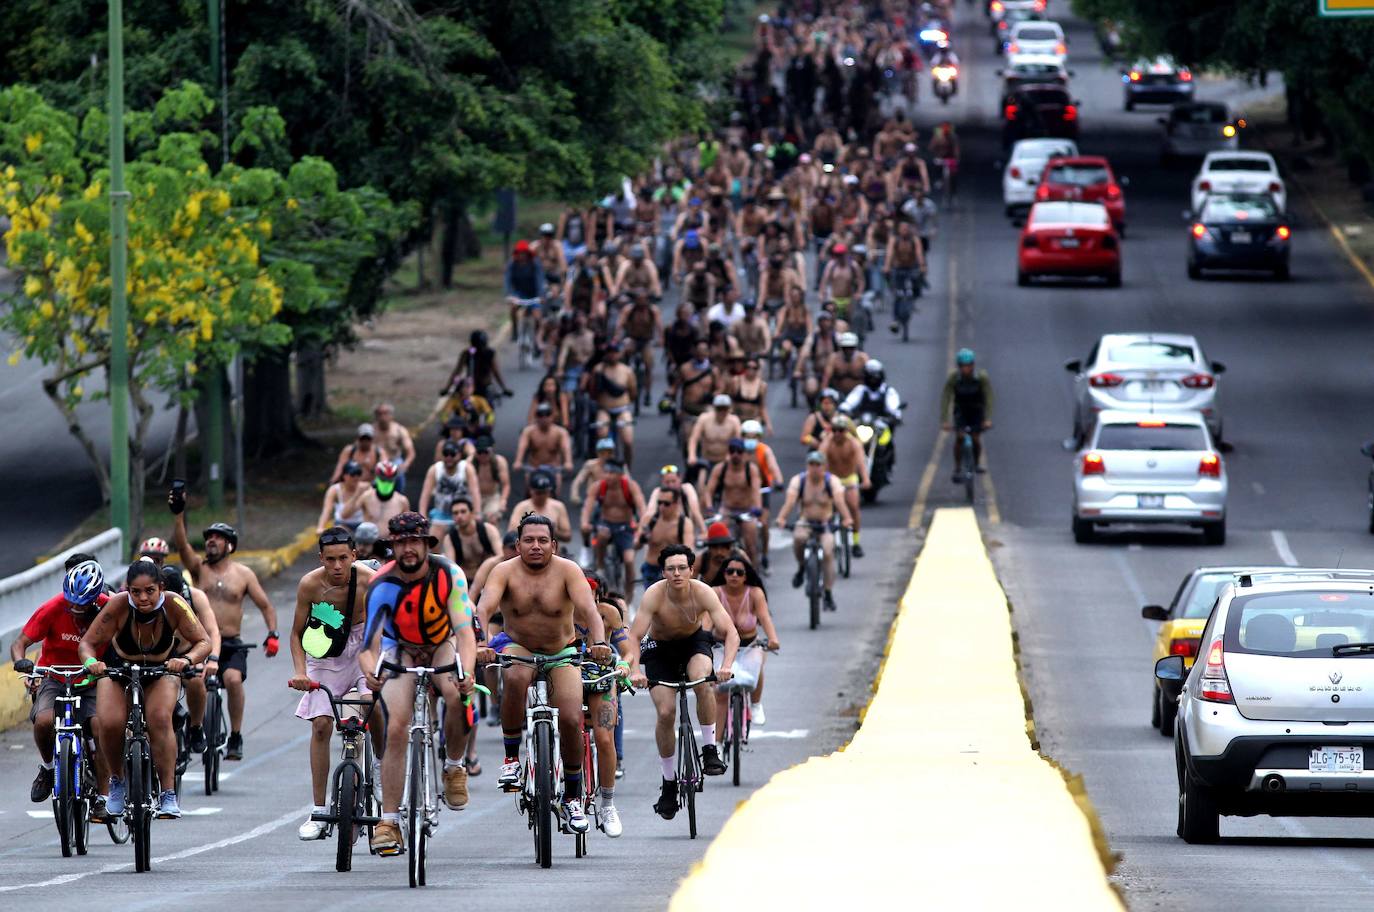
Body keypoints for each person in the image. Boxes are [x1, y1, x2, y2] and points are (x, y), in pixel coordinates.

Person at [475, 514, 613, 835]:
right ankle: (511, 760)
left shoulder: (568, 570)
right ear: (517, 544)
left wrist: (600, 642)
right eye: (528, 540)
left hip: (560, 651)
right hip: (518, 646)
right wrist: (481, 642)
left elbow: (590, 612)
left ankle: (574, 798)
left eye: (542, 541)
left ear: (554, 544)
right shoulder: (503, 571)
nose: (535, 546)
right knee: (514, 677)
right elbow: (483, 608)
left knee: (569, 718)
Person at [358, 513, 478, 856]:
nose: (407, 549)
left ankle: (454, 766)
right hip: (401, 648)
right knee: (397, 726)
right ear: (392, 546)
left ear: (426, 544)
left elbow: (465, 633)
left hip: (441, 642)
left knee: (456, 695)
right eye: (400, 543)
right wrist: (371, 672)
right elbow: (369, 647)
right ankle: (389, 820)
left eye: (414, 542)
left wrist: (466, 671)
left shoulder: (449, 575)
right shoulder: (381, 583)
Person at [80, 559, 211, 819]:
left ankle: (168, 793)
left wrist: (185, 660)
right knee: (109, 722)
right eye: (136, 592)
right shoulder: (117, 605)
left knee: (160, 718)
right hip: (119, 670)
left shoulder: (174, 604)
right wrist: (92, 663)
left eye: (150, 591)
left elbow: (203, 641)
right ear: (127, 589)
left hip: (161, 670)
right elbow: (87, 643)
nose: (143, 598)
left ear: (161, 587)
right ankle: (116, 782)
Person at [627, 545, 738, 818]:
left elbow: (730, 632)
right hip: (660, 649)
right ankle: (668, 783)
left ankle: (710, 749)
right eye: (670, 569)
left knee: (702, 680)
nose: (676, 574)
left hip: (693, 643)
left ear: (691, 570)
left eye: (681, 568)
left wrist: (725, 666)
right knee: (666, 712)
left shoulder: (703, 592)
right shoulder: (654, 594)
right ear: (663, 572)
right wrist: (634, 670)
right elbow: (634, 636)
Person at [171, 491, 278, 762]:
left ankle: (236, 735)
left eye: (217, 538)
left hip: (230, 643)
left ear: (230, 545)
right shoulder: (198, 569)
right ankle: (190, 730)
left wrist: (272, 634)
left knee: (231, 679)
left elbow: (266, 605)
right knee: (189, 681)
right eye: (208, 538)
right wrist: (179, 513)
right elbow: (182, 546)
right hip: (199, 642)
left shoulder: (244, 574)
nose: (211, 542)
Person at [287, 528, 379, 841]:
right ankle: (318, 810)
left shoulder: (370, 581)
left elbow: (387, 626)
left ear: (354, 556)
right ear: (321, 560)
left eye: (343, 558)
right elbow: (297, 634)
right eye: (330, 560)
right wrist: (301, 671)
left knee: (375, 709)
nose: (337, 566)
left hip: (365, 648)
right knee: (322, 725)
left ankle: (380, 774)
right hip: (326, 655)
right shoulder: (310, 584)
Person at [11, 557, 107, 805]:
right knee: (44, 721)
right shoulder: (52, 608)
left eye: (82, 605)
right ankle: (47, 768)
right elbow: (19, 643)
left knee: (100, 727)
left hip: (92, 680)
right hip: (55, 676)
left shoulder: (109, 609)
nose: (74, 609)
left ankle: (106, 796)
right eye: (71, 603)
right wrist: (22, 662)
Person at [708, 553, 779, 737]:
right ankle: (716, 744)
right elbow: (706, 623)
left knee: (757, 665)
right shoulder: (715, 593)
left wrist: (773, 639)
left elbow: (765, 618)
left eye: (739, 572)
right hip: (720, 646)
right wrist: (702, 640)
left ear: (746, 576)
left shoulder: (755, 593)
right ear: (723, 573)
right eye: (730, 571)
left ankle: (756, 704)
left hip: (749, 644)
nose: (734, 575)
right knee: (721, 692)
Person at [775, 451, 853, 612]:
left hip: (825, 523)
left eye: (818, 464)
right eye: (811, 464)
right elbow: (790, 502)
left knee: (828, 551)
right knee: (798, 538)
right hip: (806, 521)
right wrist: (782, 518)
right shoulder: (799, 480)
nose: (815, 468)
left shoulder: (832, 481)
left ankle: (828, 592)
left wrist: (847, 518)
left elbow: (839, 501)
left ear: (824, 466)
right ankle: (802, 567)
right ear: (807, 465)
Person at [163, 565, 221, 756]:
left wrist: (212, 660)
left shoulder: (195, 597)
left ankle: (196, 727)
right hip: (162, 656)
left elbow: (212, 632)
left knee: (196, 681)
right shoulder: (150, 600)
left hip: (189, 652)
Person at [579, 460, 646, 593]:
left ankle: (629, 596)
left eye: (612, 473)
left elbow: (642, 507)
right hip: (606, 523)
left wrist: (641, 526)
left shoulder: (630, 486)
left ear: (620, 474)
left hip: (625, 527)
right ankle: (600, 567)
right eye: (606, 472)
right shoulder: (599, 486)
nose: (608, 476)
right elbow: (588, 506)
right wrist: (584, 523)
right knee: (602, 534)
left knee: (629, 561)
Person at [819, 415, 872, 558]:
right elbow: (820, 457)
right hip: (832, 478)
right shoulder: (828, 442)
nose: (837, 433)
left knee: (854, 506)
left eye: (841, 430)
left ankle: (855, 542)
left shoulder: (853, 443)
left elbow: (861, 463)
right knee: (827, 508)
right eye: (834, 430)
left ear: (846, 430)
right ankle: (829, 539)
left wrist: (865, 479)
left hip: (849, 478)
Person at [941, 348, 994, 479]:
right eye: (963, 366)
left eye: (968, 366)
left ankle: (976, 463)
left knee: (976, 438)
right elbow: (946, 397)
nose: (966, 369)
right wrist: (945, 420)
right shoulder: (954, 378)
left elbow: (989, 397)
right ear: (959, 367)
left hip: (977, 410)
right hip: (961, 411)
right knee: (960, 438)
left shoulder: (981, 377)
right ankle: (958, 468)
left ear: (973, 365)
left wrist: (987, 418)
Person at [741, 420, 782, 570]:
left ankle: (764, 553)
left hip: (762, 490)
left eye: (754, 436)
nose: (751, 439)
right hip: (744, 493)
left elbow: (773, 466)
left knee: (763, 524)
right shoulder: (738, 452)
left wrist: (778, 481)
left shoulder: (764, 450)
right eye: (747, 436)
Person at [418, 440, 482, 535]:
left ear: (459, 455)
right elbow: (425, 495)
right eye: (445, 454)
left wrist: (477, 513)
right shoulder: (434, 469)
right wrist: (422, 516)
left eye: (452, 454)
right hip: (441, 514)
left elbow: (475, 492)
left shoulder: (467, 468)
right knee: (433, 538)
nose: (449, 457)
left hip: (461, 513)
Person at [591, 341, 638, 469]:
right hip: (604, 409)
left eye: (615, 352)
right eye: (609, 353)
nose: (612, 355)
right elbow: (593, 392)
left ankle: (628, 468)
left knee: (628, 441)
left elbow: (633, 392)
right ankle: (603, 466)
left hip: (622, 410)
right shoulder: (598, 369)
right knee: (602, 436)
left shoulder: (626, 371)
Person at [636, 487, 694, 589]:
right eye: (659, 503)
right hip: (651, 570)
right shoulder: (649, 519)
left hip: (673, 571)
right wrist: (642, 538)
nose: (662, 507)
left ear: (676, 504)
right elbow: (636, 545)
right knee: (652, 603)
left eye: (666, 503)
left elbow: (688, 551)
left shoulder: (684, 523)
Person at [513, 402, 574, 491]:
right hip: (534, 467)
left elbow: (566, 447)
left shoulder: (560, 432)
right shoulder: (528, 431)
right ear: (536, 417)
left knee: (556, 491)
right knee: (529, 491)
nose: (544, 418)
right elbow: (522, 446)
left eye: (547, 415)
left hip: (553, 468)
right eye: (540, 415)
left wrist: (568, 462)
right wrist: (518, 461)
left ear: (552, 416)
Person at [442, 496, 503, 583]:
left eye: (463, 511)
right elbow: (452, 568)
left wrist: (487, 564)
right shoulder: (450, 538)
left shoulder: (488, 530)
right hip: (465, 582)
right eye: (455, 513)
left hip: (490, 579)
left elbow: (501, 556)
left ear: (472, 513)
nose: (459, 516)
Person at [506, 470, 574, 544]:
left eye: (544, 492)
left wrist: (552, 531)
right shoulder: (522, 507)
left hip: (552, 551)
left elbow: (567, 536)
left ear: (549, 491)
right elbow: (511, 533)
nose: (541, 496)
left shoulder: (558, 506)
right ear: (531, 491)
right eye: (538, 493)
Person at [647, 464, 709, 544]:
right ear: (662, 482)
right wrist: (642, 531)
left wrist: (704, 531)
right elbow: (649, 512)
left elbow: (695, 510)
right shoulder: (657, 492)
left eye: (673, 481)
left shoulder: (687, 488)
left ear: (680, 479)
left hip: (686, 531)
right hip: (666, 532)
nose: (671, 485)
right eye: (667, 482)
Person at [506, 239, 548, 351]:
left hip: (534, 293)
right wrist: (510, 295)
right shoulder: (512, 263)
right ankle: (514, 332)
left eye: (524, 253)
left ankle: (536, 340)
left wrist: (541, 295)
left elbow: (540, 280)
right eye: (520, 253)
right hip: (519, 293)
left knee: (538, 317)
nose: (522, 256)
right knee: (513, 309)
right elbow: (508, 280)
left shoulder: (535, 263)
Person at [686, 394, 741, 481]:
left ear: (729, 409)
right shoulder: (704, 419)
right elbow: (693, 439)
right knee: (691, 475)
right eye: (719, 409)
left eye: (724, 409)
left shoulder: (734, 421)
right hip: (706, 459)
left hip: (725, 460)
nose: (722, 412)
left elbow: (738, 442)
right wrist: (692, 455)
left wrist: (730, 456)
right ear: (714, 408)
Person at [451, 330, 512, 405]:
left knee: (464, 405)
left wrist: (447, 388)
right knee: (488, 409)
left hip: (470, 388)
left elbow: (457, 372)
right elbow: (496, 372)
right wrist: (504, 388)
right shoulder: (489, 353)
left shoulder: (467, 353)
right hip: (484, 387)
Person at [372, 403, 416, 490]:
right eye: (380, 414)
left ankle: (398, 495)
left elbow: (411, 451)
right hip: (376, 463)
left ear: (391, 415)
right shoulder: (371, 431)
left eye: (386, 413)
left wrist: (406, 464)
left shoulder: (399, 430)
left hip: (394, 461)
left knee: (398, 473)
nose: (383, 417)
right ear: (376, 416)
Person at [317, 460, 368, 532]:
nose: (356, 477)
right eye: (353, 474)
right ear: (344, 476)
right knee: (340, 530)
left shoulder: (365, 487)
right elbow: (327, 510)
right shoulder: (334, 490)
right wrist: (320, 527)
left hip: (361, 524)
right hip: (342, 524)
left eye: (358, 474)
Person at [357, 460, 411, 528]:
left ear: (394, 480)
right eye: (383, 479)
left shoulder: (402, 501)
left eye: (389, 480)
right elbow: (345, 515)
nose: (386, 482)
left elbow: (408, 526)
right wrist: (357, 493)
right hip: (369, 538)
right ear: (376, 478)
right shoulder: (366, 496)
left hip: (391, 538)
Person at [471, 435, 511, 526]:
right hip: (474, 497)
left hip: (492, 497)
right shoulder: (470, 462)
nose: (482, 455)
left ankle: (493, 539)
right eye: (479, 452)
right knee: (472, 522)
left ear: (491, 450)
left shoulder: (499, 462)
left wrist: (503, 501)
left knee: (493, 519)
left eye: (485, 452)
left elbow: (506, 485)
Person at [821, 332, 868, 397]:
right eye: (845, 348)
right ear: (841, 347)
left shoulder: (862, 358)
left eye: (850, 347)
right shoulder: (834, 358)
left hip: (858, 395)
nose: (848, 350)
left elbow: (871, 377)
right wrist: (823, 394)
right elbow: (826, 378)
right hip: (838, 395)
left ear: (855, 347)